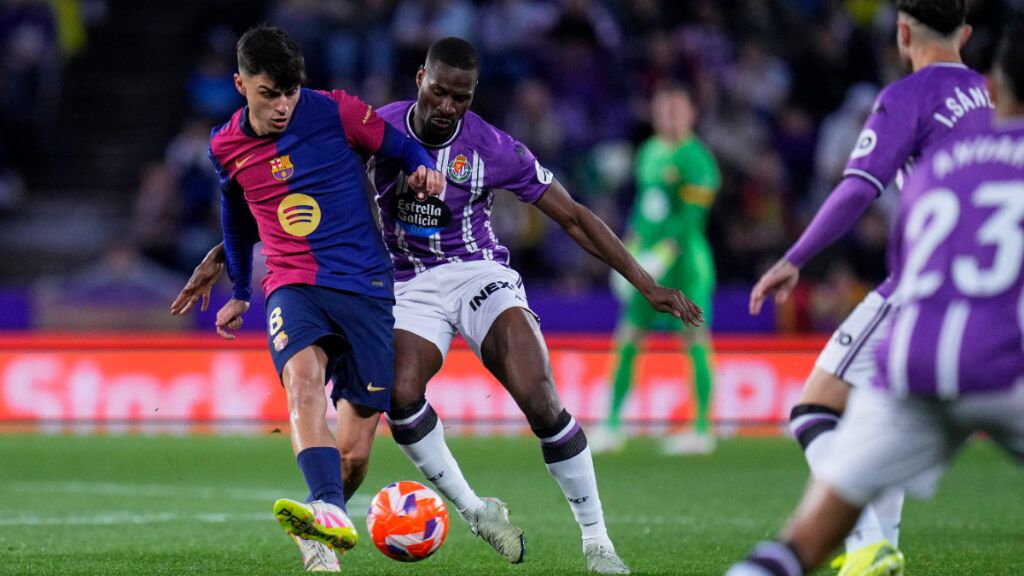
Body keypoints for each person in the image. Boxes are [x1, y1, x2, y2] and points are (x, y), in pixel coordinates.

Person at [174, 37, 702, 575]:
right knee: (400, 396)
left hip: (478, 272)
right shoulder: (377, 125)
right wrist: (225, 254)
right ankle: (476, 511)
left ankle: (597, 542)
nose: (447, 106)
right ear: (420, 79)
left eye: (461, 97)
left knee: (539, 396)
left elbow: (573, 216)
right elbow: (297, 188)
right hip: (403, 282)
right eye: (439, 92)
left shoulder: (494, 147)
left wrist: (646, 283)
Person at [726, 22, 1024, 575]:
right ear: (965, 33)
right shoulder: (980, 118)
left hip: (923, 339)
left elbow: (869, 195)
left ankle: (866, 546)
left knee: (817, 424)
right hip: (1008, 350)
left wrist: (795, 256)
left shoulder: (933, 147)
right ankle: (876, 546)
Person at [194, 25, 444, 573]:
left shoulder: (337, 111)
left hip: (366, 287)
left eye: (290, 93)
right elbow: (236, 213)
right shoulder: (225, 146)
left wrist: (421, 166)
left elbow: (400, 145)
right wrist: (241, 291)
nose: (282, 106)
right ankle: (328, 506)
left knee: (353, 454)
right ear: (240, 84)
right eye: (269, 94)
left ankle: (321, 518)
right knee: (302, 382)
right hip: (292, 283)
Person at [592, 83, 720, 455]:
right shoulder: (649, 152)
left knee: (694, 339)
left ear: (691, 114)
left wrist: (664, 253)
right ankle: (612, 425)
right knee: (628, 338)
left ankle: (702, 429)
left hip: (685, 267)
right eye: (663, 110)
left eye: (676, 110)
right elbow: (644, 208)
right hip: (647, 266)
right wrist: (628, 251)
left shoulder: (698, 160)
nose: (669, 117)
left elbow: (693, 217)